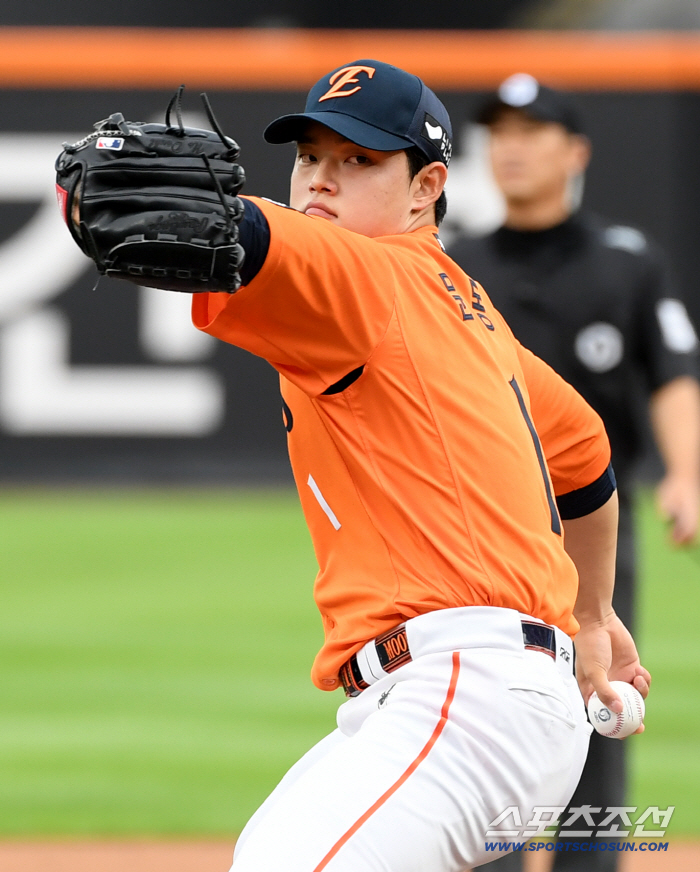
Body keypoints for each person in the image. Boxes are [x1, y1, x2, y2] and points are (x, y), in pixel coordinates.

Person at [67, 61, 650, 871]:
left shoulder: (367, 276)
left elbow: (258, 236)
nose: (321, 180)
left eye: (359, 160)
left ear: (426, 188)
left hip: (466, 699)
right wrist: (590, 618)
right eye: (310, 156)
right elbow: (585, 454)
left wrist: (222, 214)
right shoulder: (469, 315)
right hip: (452, 702)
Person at [449, 73, 699, 872]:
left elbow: (672, 373)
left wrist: (685, 472)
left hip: (592, 524)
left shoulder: (627, 264)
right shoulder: (453, 264)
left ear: (577, 151)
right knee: (483, 711)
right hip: (477, 528)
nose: (513, 147)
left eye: (534, 131)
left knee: (599, 700)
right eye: (501, 132)